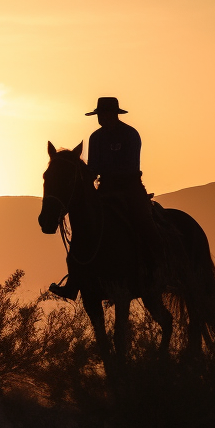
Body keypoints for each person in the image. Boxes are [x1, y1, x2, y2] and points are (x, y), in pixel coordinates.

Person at [49, 96, 160, 300]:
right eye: (99, 115)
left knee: (143, 219)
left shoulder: (130, 134)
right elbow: (94, 167)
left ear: (113, 114)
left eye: (104, 114)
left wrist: (104, 173)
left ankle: (156, 268)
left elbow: (131, 166)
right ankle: (74, 281)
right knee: (84, 227)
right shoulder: (96, 137)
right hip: (105, 189)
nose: (101, 118)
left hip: (130, 188)